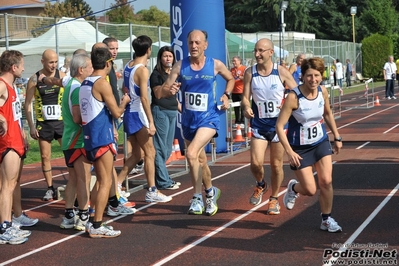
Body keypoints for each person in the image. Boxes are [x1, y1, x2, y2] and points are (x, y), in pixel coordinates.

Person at [160, 29, 235, 216]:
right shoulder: (179, 66)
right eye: (191, 43)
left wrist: (226, 95)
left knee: (191, 154)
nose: (193, 46)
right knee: (200, 161)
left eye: (197, 43)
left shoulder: (215, 65)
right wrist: (170, 90)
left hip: (209, 118)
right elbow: (162, 91)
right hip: (188, 120)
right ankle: (211, 192)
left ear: (205, 45)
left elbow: (231, 79)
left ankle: (196, 197)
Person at [276, 57, 343, 233]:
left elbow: (327, 114)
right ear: (303, 76)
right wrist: (289, 152)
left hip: (320, 142)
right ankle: (293, 187)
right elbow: (279, 126)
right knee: (310, 189)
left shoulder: (323, 91)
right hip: (299, 148)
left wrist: (337, 137)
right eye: (309, 76)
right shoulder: (293, 96)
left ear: (322, 76)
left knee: (326, 181)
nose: (313, 80)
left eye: (317, 75)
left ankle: (326, 219)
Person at [241, 38, 297, 215]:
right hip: (258, 124)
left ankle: (274, 199)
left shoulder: (281, 72)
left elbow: (297, 92)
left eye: (261, 51)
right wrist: (246, 106)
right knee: (256, 163)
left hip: (278, 126)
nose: (257, 54)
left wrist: (287, 103)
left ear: (270, 52)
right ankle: (261, 184)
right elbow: (244, 97)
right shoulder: (250, 73)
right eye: (255, 51)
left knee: (276, 165)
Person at [39, 53, 95, 231]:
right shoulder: (78, 88)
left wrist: (44, 79)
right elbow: (78, 117)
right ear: (81, 70)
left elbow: (56, 82)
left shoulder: (69, 82)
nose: (92, 70)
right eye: (90, 67)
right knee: (83, 178)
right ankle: (83, 214)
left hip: (68, 138)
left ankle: (69, 214)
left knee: (72, 178)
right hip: (78, 139)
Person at [79, 47, 130, 238]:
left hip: (91, 136)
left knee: (101, 181)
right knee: (105, 181)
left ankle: (94, 219)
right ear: (108, 63)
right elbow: (116, 113)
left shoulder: (85, 82)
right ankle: (97, 224)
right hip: (102, 136)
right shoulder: (102, 84)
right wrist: (124, 101)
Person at [116, 35, 172, 203]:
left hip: (130, 113)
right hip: (138, 114)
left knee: (137, 154)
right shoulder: (142, 70)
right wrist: (151, 122)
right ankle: (152, 190)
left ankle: (117, 184)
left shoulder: (128, 66)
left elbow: (124, 88)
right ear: (149, 50)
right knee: (150, 152)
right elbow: (144, 98)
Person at [24, 49, 66, 201]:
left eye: (56, 62)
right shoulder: (34, 79)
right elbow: (27, 104)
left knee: (70, 153)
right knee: (45, 156)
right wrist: (31, 126)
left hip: (61, 123)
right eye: (50, 62)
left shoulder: (61, 77)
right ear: (43, 61)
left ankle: (73, 182)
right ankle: (50, 188)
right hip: (44, 124)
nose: (54, 65)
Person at [0, 50, 31, 244]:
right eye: (22, 65)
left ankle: (10, 222)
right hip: (7, 142)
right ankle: (4, 227)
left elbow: (14, 112)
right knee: (7, 186)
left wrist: (22, 132)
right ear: (13, 67)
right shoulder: (2, 84)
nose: (24, 68)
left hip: (15, 138)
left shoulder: (11, 86)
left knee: (11, 184)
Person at [150, 46, 181, 190]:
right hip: (160, 111)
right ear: (160, 58)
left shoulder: (174, 75)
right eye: (165, 56)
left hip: (172, 111)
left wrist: (181, 109)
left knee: (168, 149)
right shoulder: (156, 74)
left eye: (170, 56)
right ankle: (163, 181)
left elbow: (174, 96)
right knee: (160, 147)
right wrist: (168, 81)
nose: (168, 59)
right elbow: (158, 94)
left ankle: (164, 178)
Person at [230, 56, 246, 127]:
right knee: (236, 107)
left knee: (242, 106)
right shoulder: (232, 70)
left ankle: (243, 121)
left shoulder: (243, 68)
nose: (234, 62)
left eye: (235, 61)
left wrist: (239, 77)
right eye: (233, 61)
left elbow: (246, 78)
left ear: (239, 61)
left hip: (241, 91)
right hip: (234, 91)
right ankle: (237, 121)